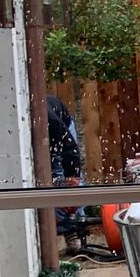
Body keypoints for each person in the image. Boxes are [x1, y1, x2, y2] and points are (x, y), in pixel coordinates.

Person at [47, 94, 86, 253]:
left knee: (61, 173)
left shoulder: (53, 121)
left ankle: (75, 230)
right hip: (45, 138)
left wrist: (72, 178)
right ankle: (61, 227)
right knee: (49, 176)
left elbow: (71, 150)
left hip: (62, 122)